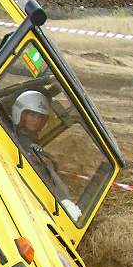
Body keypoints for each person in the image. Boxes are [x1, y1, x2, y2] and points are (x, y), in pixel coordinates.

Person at [11, 90, 82, 221]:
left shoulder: (30, 143)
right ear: (20, 114)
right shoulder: (21, 141)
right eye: (32, 114)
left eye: (40, 117)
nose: (36, 120)